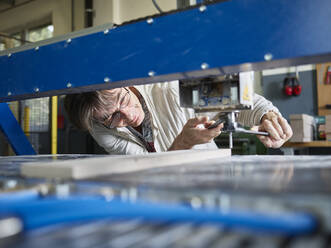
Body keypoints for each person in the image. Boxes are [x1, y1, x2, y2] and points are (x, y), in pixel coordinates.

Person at [64, 81, 292, 155]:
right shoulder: (101, 129)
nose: (129, 117)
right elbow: (146, 173)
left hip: (212, 182)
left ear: (126, 85)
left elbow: (242, 100)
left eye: (123, 102)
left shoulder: (172, 86)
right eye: (113, 117)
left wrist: (267, 116)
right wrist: (183, 143)